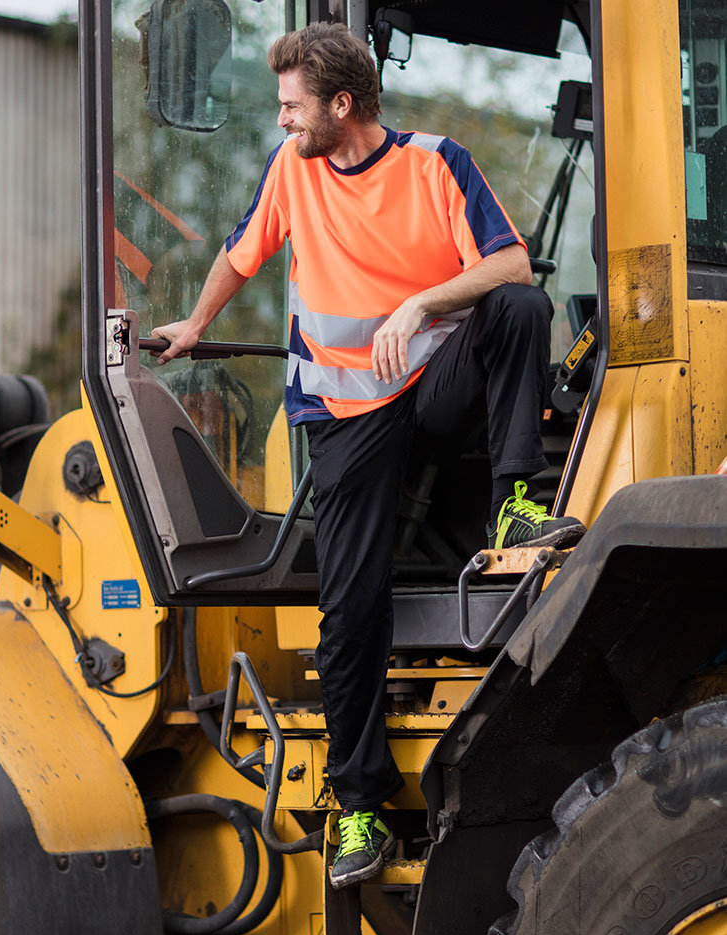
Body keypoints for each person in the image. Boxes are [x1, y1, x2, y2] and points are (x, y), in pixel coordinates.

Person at [152, 21, 585, 889]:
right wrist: (196, 326)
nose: (282, 121)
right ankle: (360, 808)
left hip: (430, 385)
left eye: (291, 106)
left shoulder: (436, 163)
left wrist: (420, 303)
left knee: (520, 310)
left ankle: (517, 506)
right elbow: (240, 257)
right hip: (344, 410)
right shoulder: (291, 173)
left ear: (340, 106)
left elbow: (506, 266)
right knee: (349, 608)